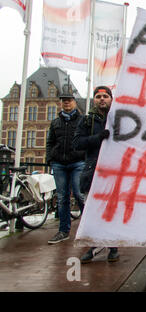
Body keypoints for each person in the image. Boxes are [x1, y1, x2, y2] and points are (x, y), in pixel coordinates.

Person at [73, 86, 119, 263]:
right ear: (94, 100)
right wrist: (99, 137)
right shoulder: (86, 121)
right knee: (92, 212)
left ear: (111, 99)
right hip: (93, 172)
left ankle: (113, 247)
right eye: (99, 96)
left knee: (111, 210)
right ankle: (93, 246)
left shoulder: (118, 118)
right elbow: (77, 143)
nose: (102, 99)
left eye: (105, 96)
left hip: (113, 171)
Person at [47, 93, 85, 244]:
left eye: (69, 100)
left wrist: (83, 155)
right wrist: (50, 158)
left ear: (75, 102)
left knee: (79, 194)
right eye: (64, 101)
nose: (66, 103)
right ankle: (63, 231)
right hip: (59, 164)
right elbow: (50, 142)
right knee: (62, 198)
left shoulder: (83, 120)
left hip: (77, 162)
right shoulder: (55, 122)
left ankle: (86, 227)